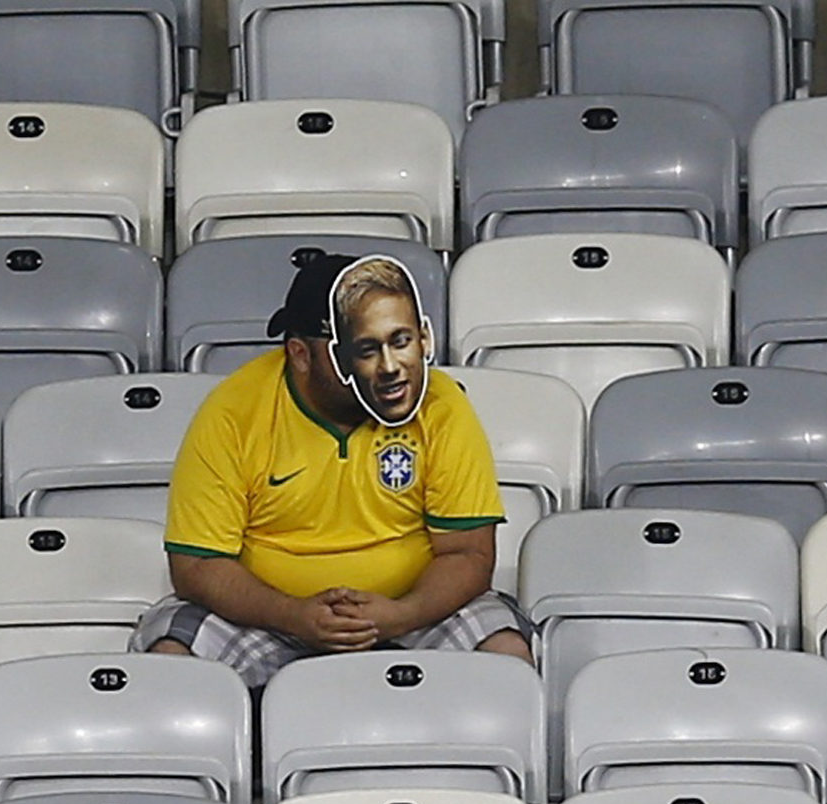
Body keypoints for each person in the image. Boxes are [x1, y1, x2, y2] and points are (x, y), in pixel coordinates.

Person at [132, 252, 533, 687]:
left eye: (398, 342)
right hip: (267, 619)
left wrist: (401, 615)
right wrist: (293, 614)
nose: (390, 368)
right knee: (171, 651)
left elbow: (469, 552)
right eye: (361, 349)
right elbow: (197, 565)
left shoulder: (439, 404)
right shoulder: (233, 412)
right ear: (300, 354)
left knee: (504, 651)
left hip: (413, 614)